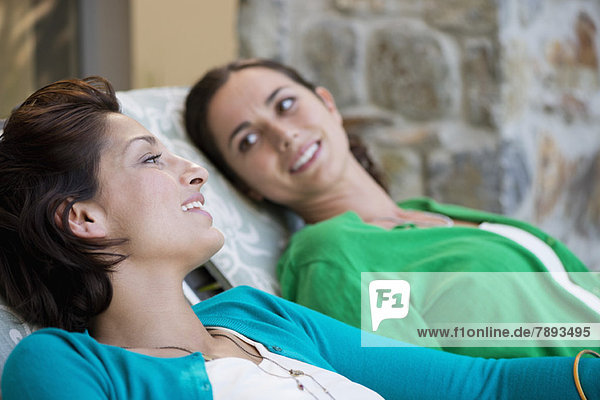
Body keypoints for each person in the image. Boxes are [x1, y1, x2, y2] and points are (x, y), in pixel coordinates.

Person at [1, 77, 599, 400]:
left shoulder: (258, 315)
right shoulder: (64, 364)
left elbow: (481, 386)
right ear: (83, 219)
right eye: (152, 160)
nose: (194, 172)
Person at [184, 58, 600, 359]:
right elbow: (424, 385)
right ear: (244, 186)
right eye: (248, 141)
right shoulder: (329, 256)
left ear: (329, 105)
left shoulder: (429, 212)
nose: (283, 135)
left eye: (286, 105)